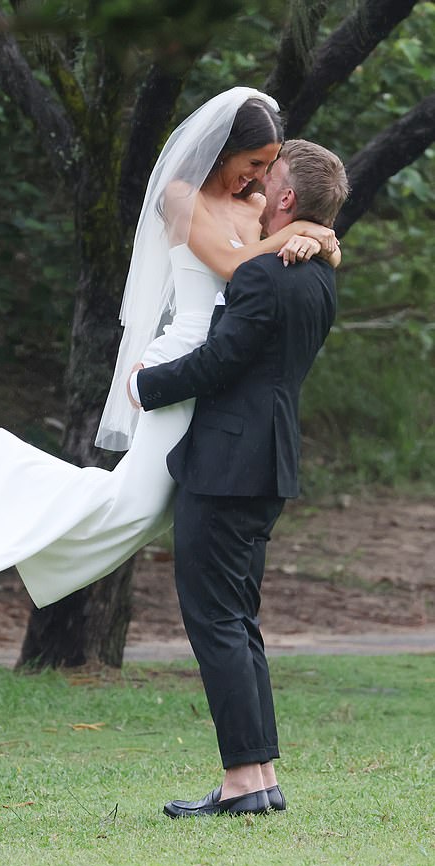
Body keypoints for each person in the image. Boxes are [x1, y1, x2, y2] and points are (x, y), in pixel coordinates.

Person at [0, 88, 336, 607]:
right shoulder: (181, 196)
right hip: (180, 362)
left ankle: (27, 538)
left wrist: (316, 237)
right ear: (224, 149)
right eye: (254, 162)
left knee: (154, 512)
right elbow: (236, 268)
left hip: (217, 369)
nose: (257, 178)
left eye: (268, 167)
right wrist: (298, 230)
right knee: (134, 506)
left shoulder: (252, 206)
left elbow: (272, 260)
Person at [129, 139, 350, 817]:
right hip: (268, 460)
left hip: (228, 464)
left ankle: (241, 783)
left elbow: (219, 362)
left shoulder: (262, 276)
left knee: (215, 622)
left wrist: (147, 383)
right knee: (237, 621)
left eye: (270, 179)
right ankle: (257, 779)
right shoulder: (316, 276)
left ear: (285, 198)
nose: (258, 189)